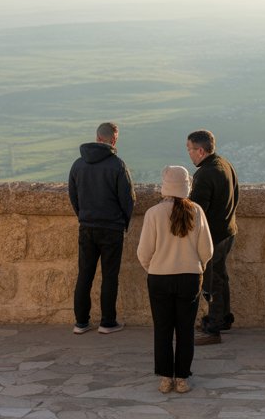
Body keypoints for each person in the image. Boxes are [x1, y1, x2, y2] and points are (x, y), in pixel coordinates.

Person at [138, 166, 213, 394]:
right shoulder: (197, 211)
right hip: (189, 278)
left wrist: (155, 267)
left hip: (160, 278)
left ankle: (164, 379)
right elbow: (207, 250)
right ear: (187, 185)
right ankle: (182, 378)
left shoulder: (153, 213)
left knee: (162, 330)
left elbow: (143, 252)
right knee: (185, 330)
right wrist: (197, 266)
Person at [68, 121, 135, 335]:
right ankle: (107, 322)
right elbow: (128, 199)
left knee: (84, 274)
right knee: (109, 276)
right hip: (111, 228)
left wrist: (84, 216)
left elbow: (73, 196)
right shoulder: (117, 165)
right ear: (114, 140)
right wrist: (123, 222)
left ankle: (81, 322)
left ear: (97, 137)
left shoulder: (78, 164)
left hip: (87, 226)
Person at [187, 130, 239, 345]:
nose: (189, 153)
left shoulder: (206, 174)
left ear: (200, 150)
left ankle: (213, 327)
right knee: (220, 276)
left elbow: (196, 211)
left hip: (213, 236)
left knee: (212, 281)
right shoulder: (225, 164)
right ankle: (223, 318)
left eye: (189, 149)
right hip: (228, 230)